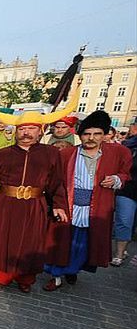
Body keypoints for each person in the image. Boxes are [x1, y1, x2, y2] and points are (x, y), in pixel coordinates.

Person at [0, 106, 75, 293]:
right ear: (16, 131)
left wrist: (59, 205)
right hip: (5, 204)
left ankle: (25, 278)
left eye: (31, 128)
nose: (26, 133)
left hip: (34, 205)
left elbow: (57, 182)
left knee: (29, 243)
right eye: (22, 129)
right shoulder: (3, 153)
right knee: (0, 240)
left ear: (40, 131)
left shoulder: (51, 154)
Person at [44, 111, 132, 290]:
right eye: (87, 134)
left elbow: (125, 174)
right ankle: (56, 276)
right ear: (80, 135)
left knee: (83, 244)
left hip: (96, 207)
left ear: (104, 135)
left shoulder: (117, 153)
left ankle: (72, 270)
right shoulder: (67, 154)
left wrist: (116, 179)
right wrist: (58, 205)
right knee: (61, 242)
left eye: (97, 134)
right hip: (69, 205)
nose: (91, 138)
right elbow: (57, 182)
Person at [112, 121, 137, 265]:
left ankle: (126, 248)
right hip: (128, 188)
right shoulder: (128, 145)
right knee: (125, 220)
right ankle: (119, 253)